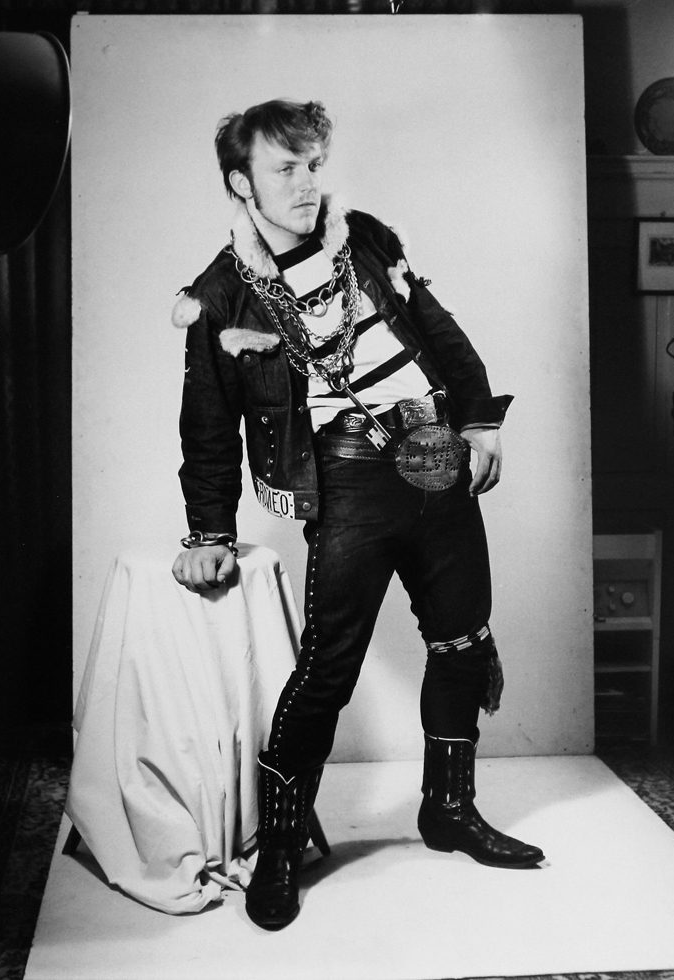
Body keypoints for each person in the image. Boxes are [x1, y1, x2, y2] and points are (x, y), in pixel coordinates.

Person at [171, 98, 544, 931]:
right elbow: (207, 428)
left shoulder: (364, 236)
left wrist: (478, 418)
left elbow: (435, 325)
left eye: (311, 166)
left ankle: (448, 811)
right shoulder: (220, 294)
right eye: (283, 169)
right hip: (343, 478)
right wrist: (208, 534)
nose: (305, 185)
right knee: (327, 667)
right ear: (242, 183)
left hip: (433, 450)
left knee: (461, 638)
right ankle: (278, 850)